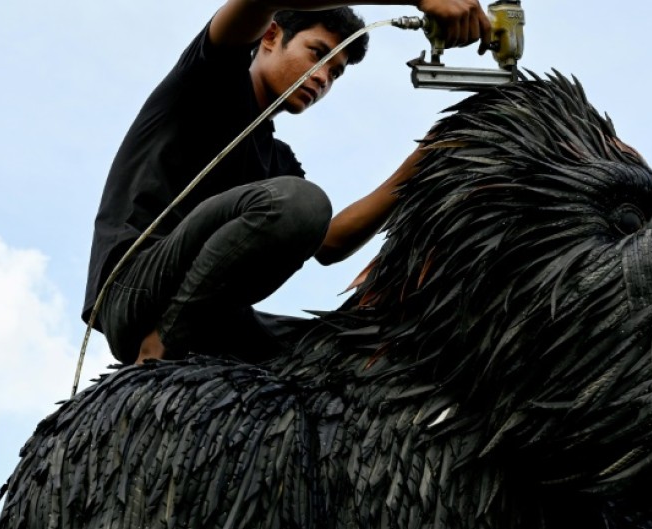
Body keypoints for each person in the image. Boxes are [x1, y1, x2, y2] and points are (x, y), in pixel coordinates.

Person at [82, 0, 492, 365]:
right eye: (317, 54)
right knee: (302, 203)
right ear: (271, 36)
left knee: (346, 348)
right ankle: (160, 351)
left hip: (217, 314)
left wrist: (425, 157)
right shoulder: (209, 75)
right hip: (135, 290)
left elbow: (329, 243)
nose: (323, 78)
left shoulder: (277, 161)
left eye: (335, 73)